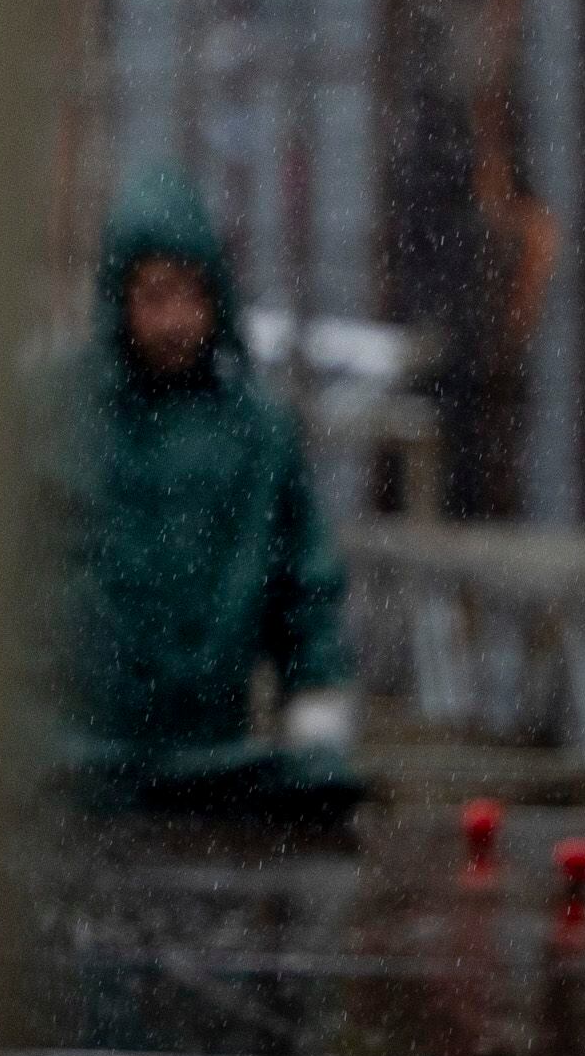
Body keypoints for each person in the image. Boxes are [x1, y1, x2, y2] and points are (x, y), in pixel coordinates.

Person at [52, 168, 364, 825]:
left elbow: (305, 588)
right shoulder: (55, 420)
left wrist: (316, 716)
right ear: (119, 297)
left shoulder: (257, 437)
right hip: (76, 767)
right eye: (155, 296)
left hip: (213, 770)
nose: (176, 321)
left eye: (193, 295)